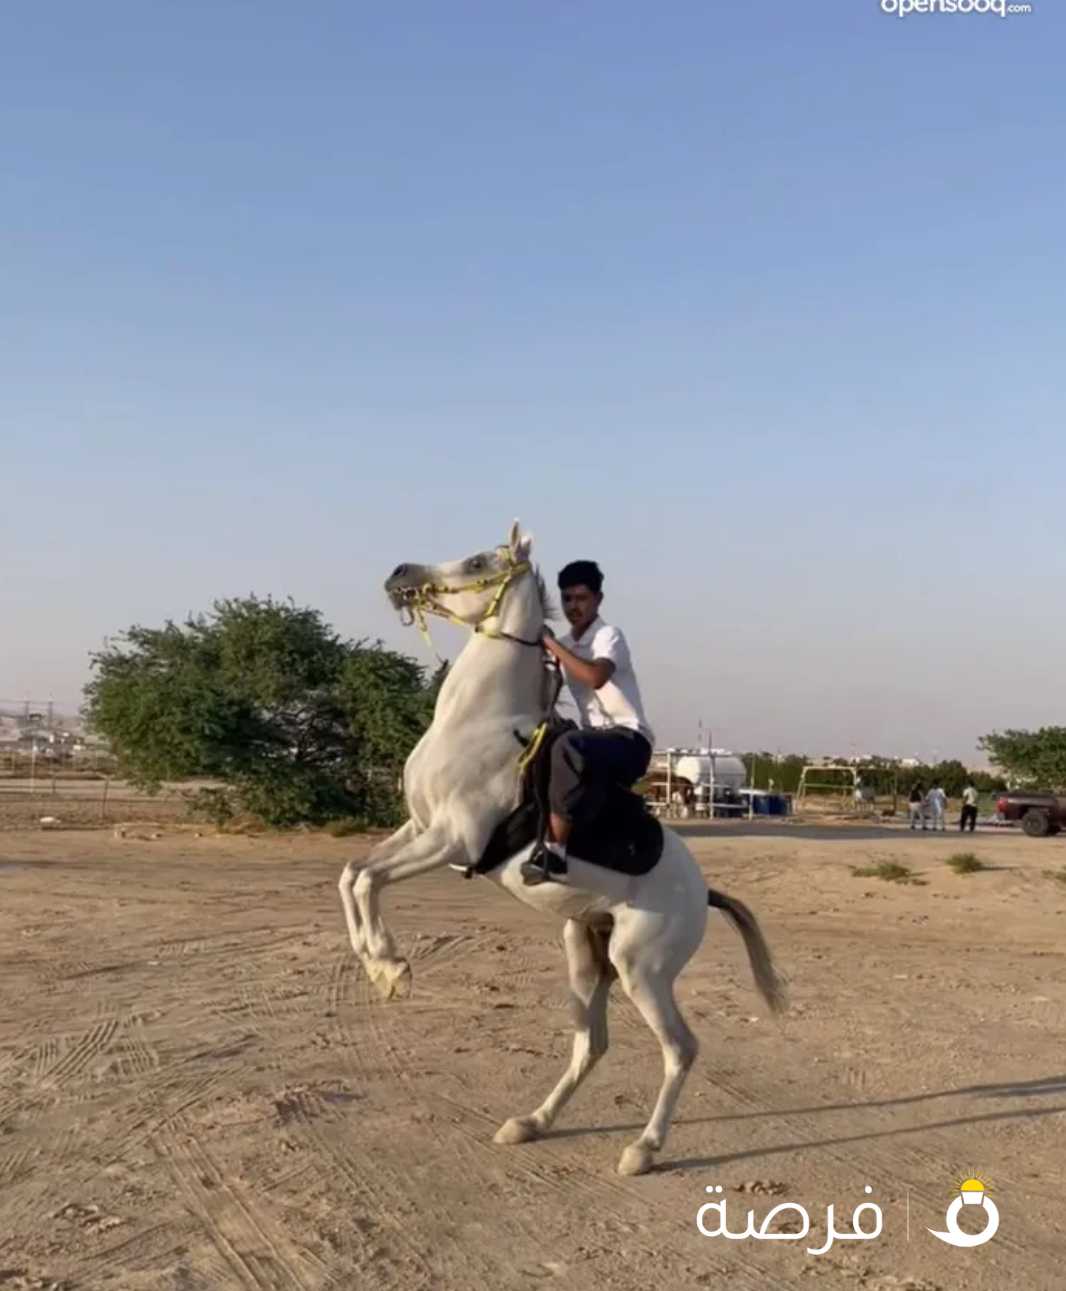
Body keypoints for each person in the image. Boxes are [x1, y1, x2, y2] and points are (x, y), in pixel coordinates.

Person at [520, 559, 654, 885]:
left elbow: (595, 677)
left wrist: (550, 644)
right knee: (541, 743)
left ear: (598, 599)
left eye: (581, 598)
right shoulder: (565, 645)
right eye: (567, 599)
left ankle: (555, 850)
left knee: (568, 745)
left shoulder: (609, 636)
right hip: (593, 739)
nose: (573, 606)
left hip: (629, 741)